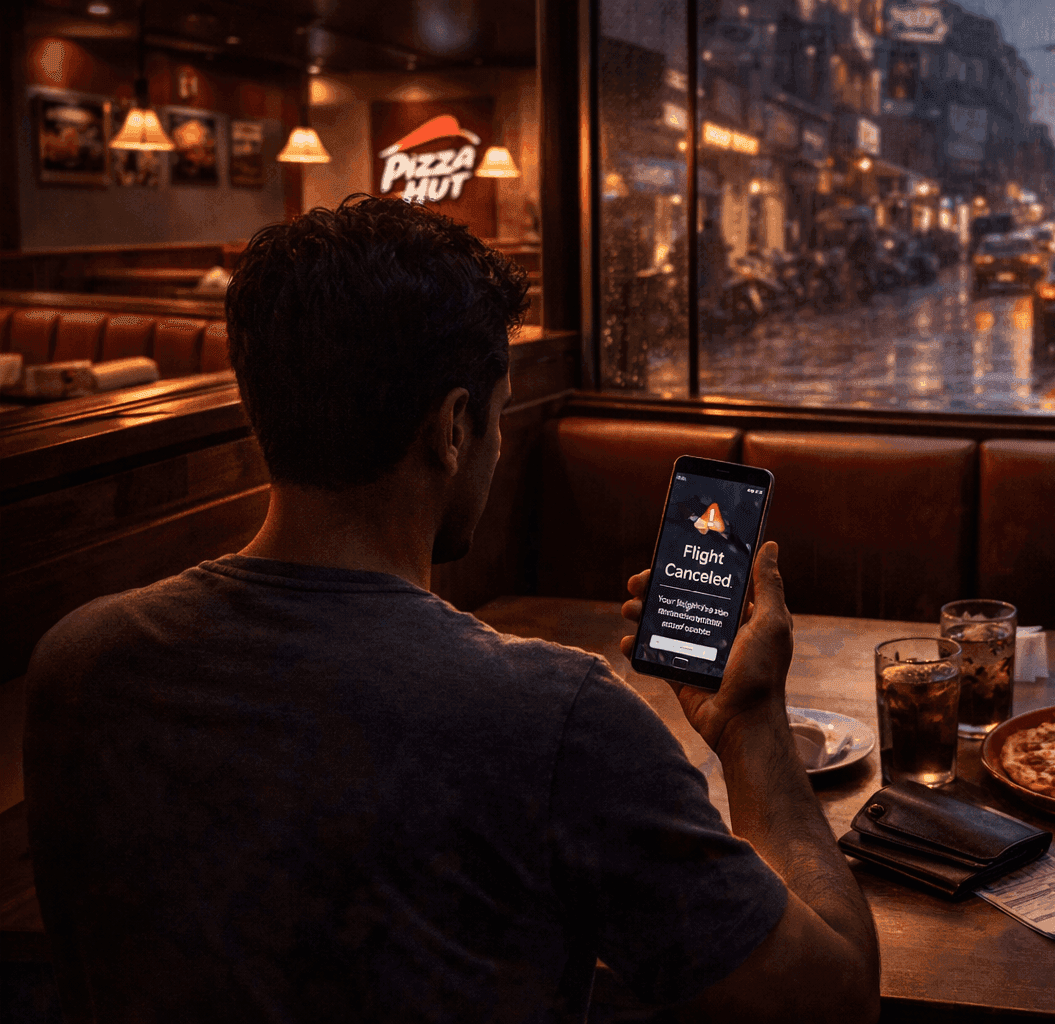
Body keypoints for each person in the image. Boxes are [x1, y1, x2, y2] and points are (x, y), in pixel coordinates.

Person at [23, 195, 880, 1024]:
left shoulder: (79, 663)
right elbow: (834, 997)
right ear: (456, 427)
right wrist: (752, 719)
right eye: (502, 416)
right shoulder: (557, 723)